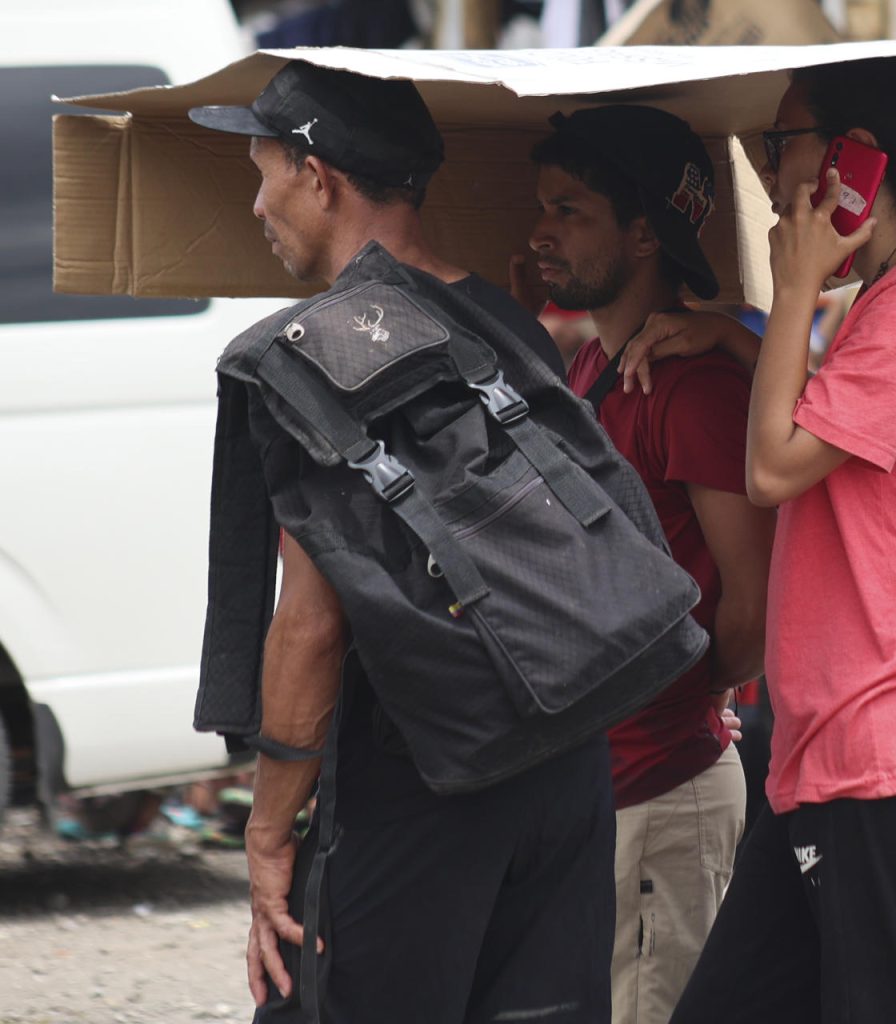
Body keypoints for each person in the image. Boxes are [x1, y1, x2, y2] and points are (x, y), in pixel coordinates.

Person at [188, 63, 616, 1023]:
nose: (257, 204)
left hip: (423, 777)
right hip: (567, 764)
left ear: (317, 175)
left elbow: (310, 627)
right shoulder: (512, 325)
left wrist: (266, 833)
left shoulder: (318, 352)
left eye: (262, 173)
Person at [669, 53, 896, 1024]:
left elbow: (776, 466)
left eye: (777, 141)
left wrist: (792, 290)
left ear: (853, 159)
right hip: (845, 734)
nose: (761, 162)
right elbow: (842, 425)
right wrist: (749, 340)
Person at [525, 105, 775, 1024]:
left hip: (664, 787)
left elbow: (753, 601)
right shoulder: (590, 363)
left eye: (571, 210)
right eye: (541, 206)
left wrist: (690, 693)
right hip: (599, 783)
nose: (542, 231)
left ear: (643, 232)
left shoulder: (693, 385)